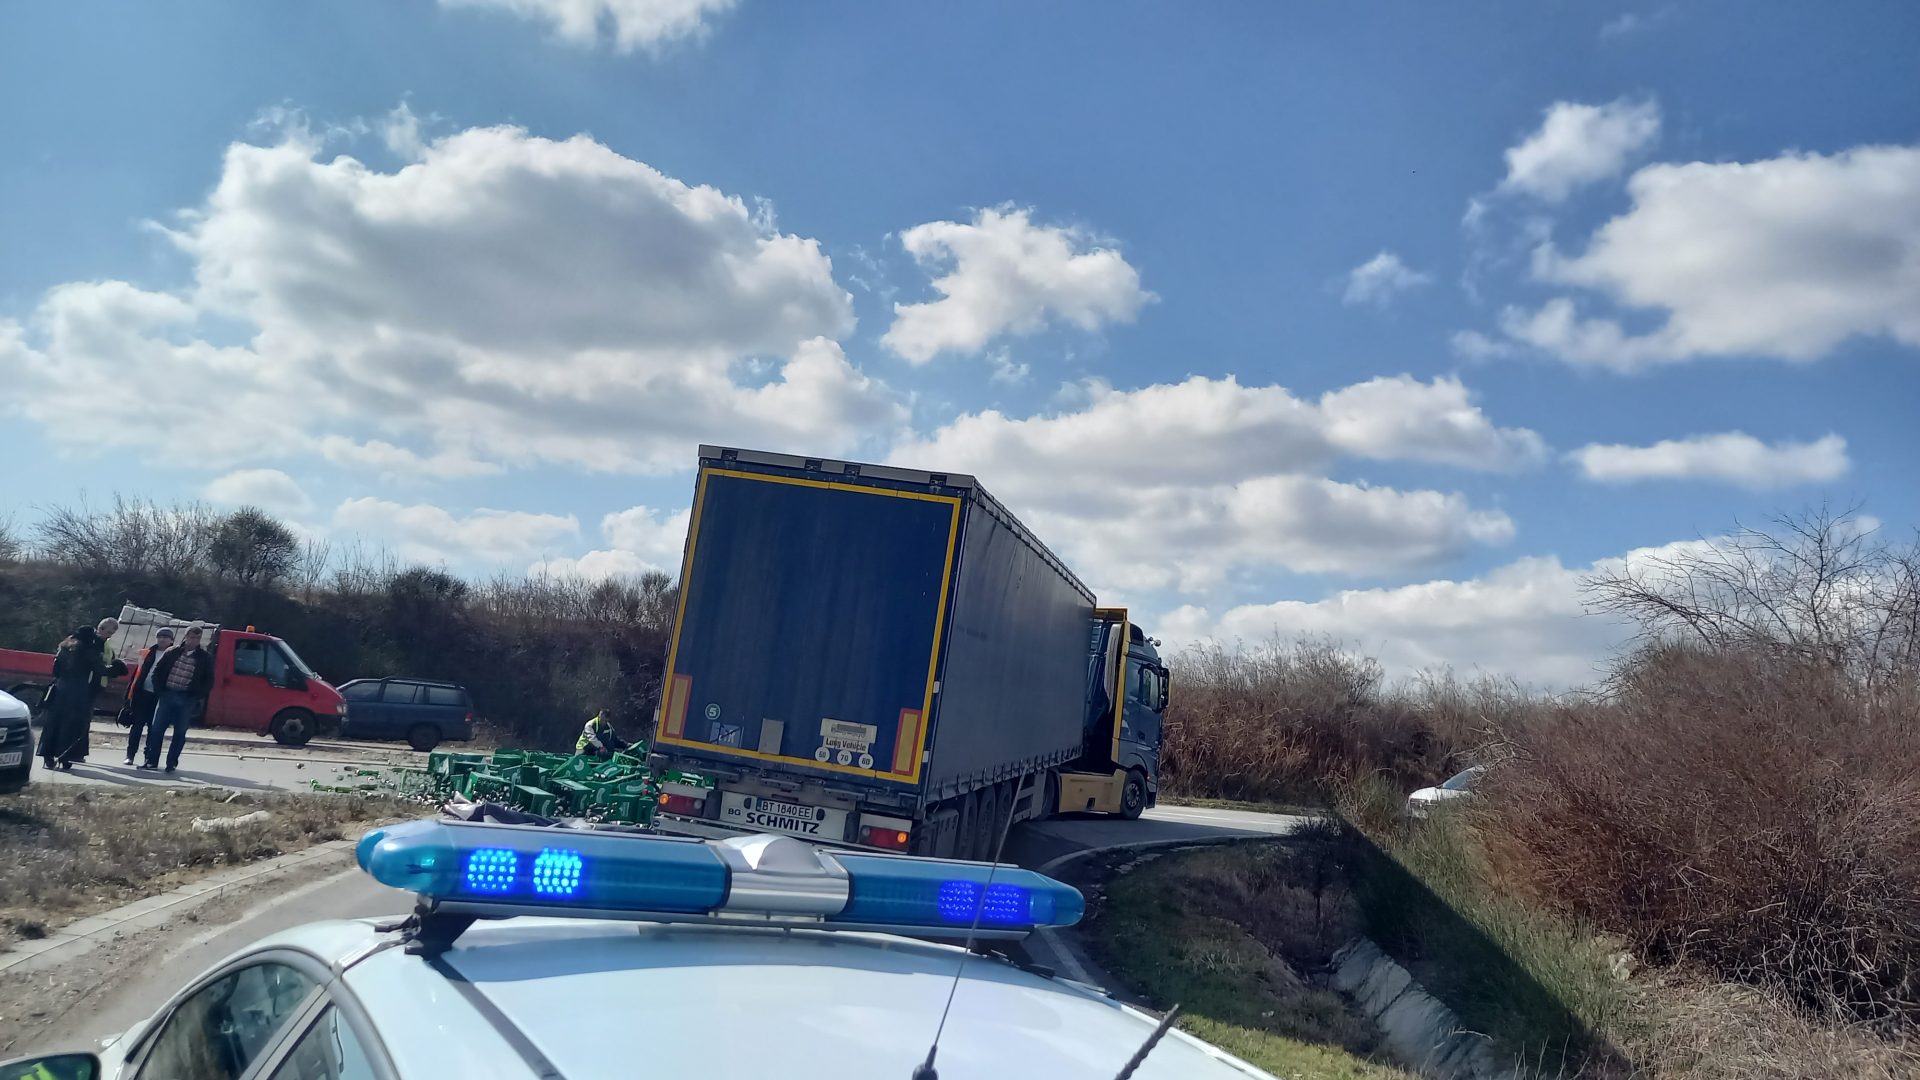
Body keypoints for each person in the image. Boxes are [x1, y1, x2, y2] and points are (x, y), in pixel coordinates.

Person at [38, 623, 124, 769]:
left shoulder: (64, 647)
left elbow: (55, 670)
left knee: (53, 723)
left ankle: (48, 755)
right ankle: (65, 757)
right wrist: (117, 667)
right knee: (71, 725)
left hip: (60, 689)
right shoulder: (87, 650)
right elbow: (101, 670)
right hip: (78, 691)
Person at [142, 624, 212, 773]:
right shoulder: (172, 652)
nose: (194, 640)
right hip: (167, 694)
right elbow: (157, 671)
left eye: (197, 638)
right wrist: (160, 690)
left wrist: (197, 695)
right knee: (157, 729)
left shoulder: (204, 658)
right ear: (185, 637)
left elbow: (209, 680)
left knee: (180, 732)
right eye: (192, 637)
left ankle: (171, 763)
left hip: (187, 698)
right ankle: (151, 761)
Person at [121, 626, 175, 766]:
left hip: (159, 696)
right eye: (159, 636)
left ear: (171, 640)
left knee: (154, 729)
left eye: (165, 637)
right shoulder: (148, 652)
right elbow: (137, 674)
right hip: (142, 693)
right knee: (136, 726)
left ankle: (149, 757)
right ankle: (130, 755)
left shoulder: (174, 655)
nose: (162, 639)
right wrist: (129, 693)